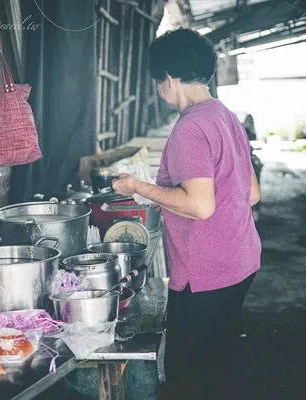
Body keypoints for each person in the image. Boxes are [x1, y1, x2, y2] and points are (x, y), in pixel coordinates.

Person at [112, 28, 261, 400]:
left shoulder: (191, 126)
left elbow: (199, 205)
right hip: (240, 260)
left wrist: (137, 187)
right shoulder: (227, 116)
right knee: (221, 364)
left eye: (157, 81)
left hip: (207, 272)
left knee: (189, 379)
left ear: (169, 79)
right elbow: (252, 193)